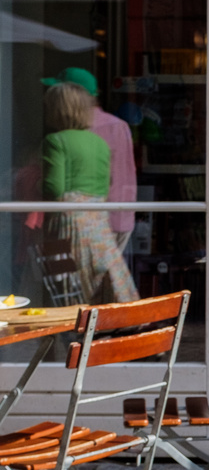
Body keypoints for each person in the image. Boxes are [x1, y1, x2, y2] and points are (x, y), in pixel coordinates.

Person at [41, 81, 137, 304]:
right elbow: (106, 184)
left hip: (68, 223)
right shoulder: (100, 143)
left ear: (57, 110)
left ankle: (67, 335)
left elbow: (53, 188)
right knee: (94, 286)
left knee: (65, 289)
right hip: (98, 222)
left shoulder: (55, 141)